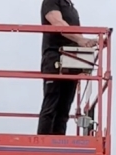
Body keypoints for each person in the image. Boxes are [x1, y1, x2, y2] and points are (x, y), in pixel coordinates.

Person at [37, 0, 98, 135]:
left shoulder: (70, 6)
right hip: (55, 57)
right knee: (51, 104)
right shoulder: (51, 1)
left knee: (64, 108)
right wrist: (81, 40)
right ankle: (43, 142)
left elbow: (76, 34)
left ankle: (58, 142)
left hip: (71, 60)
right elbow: (58, 23)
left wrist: (87, 44)